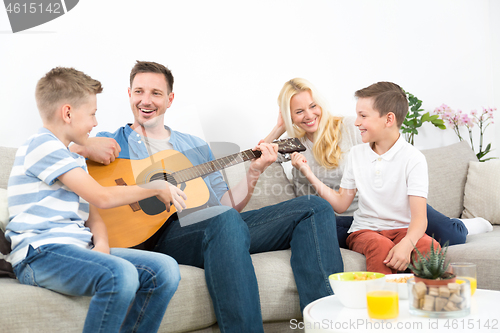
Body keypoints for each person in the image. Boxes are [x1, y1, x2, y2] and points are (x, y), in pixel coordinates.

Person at [74, 61, 344, 333]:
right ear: (129, 94)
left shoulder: (194, 146)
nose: (146, 100)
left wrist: (253, 171)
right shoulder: (111, 142)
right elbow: (61, 153)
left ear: (170, 99)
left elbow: (228, 206)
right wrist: (82, 144)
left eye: (156, 93)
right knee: (223, 221)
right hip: (155, 237)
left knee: (314, 208)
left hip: (212, 226)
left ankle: (326, 326)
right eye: (139, 91)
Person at [4, 67, 182, 333]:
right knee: (119, 275)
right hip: (40, 254)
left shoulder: (74, 159)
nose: (96, 123)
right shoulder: (40, 145)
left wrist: (101, 245)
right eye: (92, 114)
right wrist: (155, 186)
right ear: (67, 113)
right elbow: (103, 196)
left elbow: (94, 212)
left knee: (165, 270)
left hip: (77, 249)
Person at [265, 78, 473, 249]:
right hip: (347, 219)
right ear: (289, 114)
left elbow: (388, 149)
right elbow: (259, 156)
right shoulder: (293, 145)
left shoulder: (350, 127)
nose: (309, 115)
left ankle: (467, 224)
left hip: (386, 207)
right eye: (299, 111)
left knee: (451, 236)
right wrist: (278, 128)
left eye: (312, 106)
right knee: (322, 234)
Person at [283, 81, 440, 274]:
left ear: (388, 119)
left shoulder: (414, 158)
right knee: (380, 246)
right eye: (357, 115)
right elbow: (341, 205)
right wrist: (308, 173)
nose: (357, 122)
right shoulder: (356, 155)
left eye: (363, 116)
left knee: (429, 247)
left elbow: (419, 219)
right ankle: (380, 303)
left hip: (401, 228)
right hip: (364, 230)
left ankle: (429, 300)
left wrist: (407, 244)